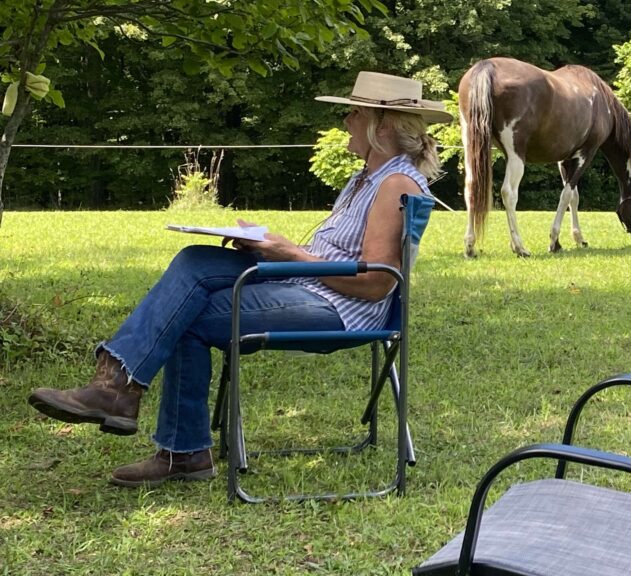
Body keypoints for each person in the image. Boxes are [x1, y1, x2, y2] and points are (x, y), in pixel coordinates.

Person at [28, 72, 451, 488]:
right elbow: (338, 256)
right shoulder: (366, 178)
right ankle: (120, 391)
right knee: (194, 259)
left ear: (384, 125)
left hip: (341, 311)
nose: (346, 121)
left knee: (184, 316)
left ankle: (170, 440)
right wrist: (263, 246)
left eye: (354, 113)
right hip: (309, 286)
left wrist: (288, 253)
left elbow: (378, 282)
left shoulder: (395, 183)